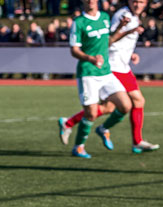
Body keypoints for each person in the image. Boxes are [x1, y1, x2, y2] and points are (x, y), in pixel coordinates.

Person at [58, 0, 159, 154]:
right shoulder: (120, 15)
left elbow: (111, 39)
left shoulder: (120, 17)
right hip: (111, 65)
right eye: (136, 2)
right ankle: (133, 141)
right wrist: (93, 58)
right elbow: (107, 42)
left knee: (110, 107)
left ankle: (70, 123)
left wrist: (130, 52)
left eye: (142, 2)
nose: (138, 5)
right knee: (133, 101)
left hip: (119, 66)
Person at [65, 0, 133, 158]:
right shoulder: (79, 22)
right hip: (88, 72)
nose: (91, 1)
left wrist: (121, 27)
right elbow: (74, 50)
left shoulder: (104, 17)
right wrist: (90, 58)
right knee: (91, 113)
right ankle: (79, 147)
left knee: (125, 105)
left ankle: (103, 129)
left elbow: (108, 41)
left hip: (106, 72)